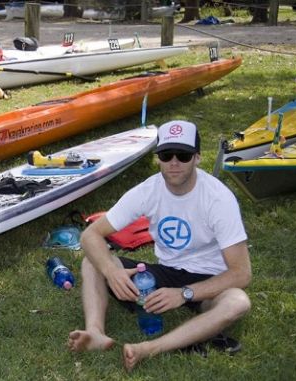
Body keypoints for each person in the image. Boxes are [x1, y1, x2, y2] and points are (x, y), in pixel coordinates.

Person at [67, 120, 252, 371]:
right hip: (165, 273)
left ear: (197, 158)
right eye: (166, 155)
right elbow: (90, 236)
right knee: (93, 262)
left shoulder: (218, 198)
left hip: (210, 279)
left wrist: (184, 294)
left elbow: (241, 273)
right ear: (158, 159)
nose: (174, 163)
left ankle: (148, 349)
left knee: (238, 302)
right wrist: (114, 273)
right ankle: (95, 333)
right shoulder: (149, 190)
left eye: (183, 155)